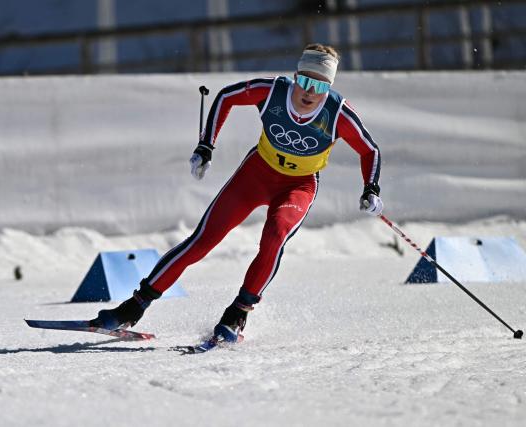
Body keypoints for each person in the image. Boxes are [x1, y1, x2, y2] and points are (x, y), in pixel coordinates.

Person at [90, 43, 383, 342]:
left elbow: (370, 150)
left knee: (274, 236)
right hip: (256, 174)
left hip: (299, 185)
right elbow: (226, 97)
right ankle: (135, 305)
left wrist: (370, 188)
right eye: (305, 81)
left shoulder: (338, 114)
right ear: (295, 76)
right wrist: (206, 145)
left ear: (329, 87)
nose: (309, 92)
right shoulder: (273, 91)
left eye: (319, 86)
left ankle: (238, 313)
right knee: (203, 240)